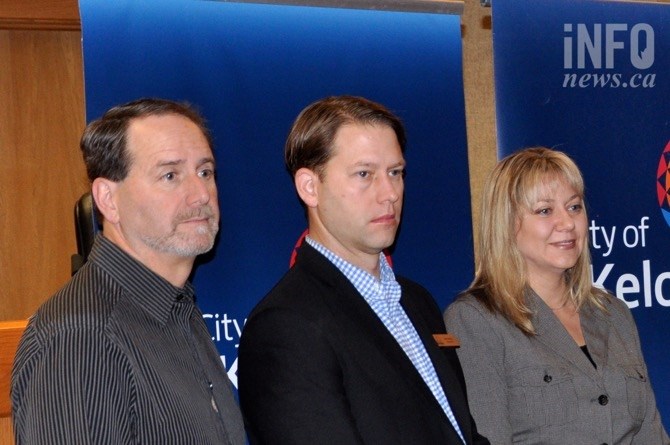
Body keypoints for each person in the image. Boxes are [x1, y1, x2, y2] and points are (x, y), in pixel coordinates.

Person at [237, 95, 489, 445]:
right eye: (364, 174)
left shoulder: (418, 301)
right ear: (310, 187)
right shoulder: (285, 325)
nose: (389, 193)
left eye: (395, 173)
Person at [11, 98, 246, 444]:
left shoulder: (177, 309)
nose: (200, 195)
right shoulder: (83, 338)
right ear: (107, 199)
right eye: (170, 175)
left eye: (205, 172)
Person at [444, 147, 669, 445]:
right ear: (506, 224)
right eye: (545, 210)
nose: (567, 224)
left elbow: (650, 434)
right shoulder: (475, 320)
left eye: (574, 207)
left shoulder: (612, 312)